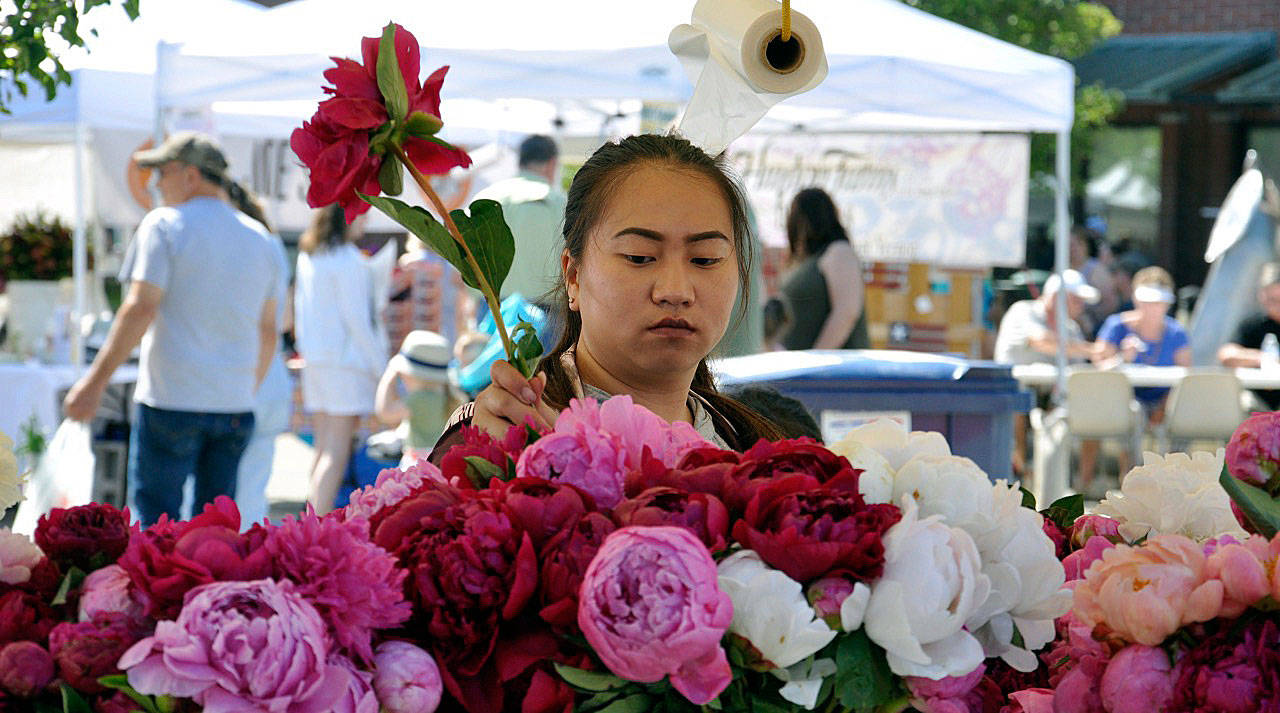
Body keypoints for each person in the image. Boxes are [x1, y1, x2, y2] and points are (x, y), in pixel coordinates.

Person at [433, 134, 785, 453]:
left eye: (705, 259)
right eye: (639, 257)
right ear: (573, 276)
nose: (675, 291)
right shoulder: (503, 434)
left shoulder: (760, 448)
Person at [64, 132, 281, 526]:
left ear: (191, 175)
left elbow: (140, 308)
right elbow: (269, 330)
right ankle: (208, 591)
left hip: (171, 399)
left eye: (162, 172)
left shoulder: (164, 225)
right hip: (233, 403)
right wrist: (244, 388)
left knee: (154, 525)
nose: (155, 183)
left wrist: (94, 383)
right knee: (215, 532)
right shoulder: (262, 239)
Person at [294, 204, 388, 515]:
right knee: (334, 450)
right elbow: (358, 321)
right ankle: (315, 526)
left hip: (317, 361)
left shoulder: (311, 255)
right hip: (344, 366)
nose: (365, 219)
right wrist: (381, 368)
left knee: (323, 448)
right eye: (361, 212)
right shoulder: (349, 261)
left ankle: (308, 522)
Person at [993, 269, 1099, 479]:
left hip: (1050, 397)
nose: (1081, 305)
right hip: (1011, 394)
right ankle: (1019, 474)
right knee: (1019, 405)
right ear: (1056, 297)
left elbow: (1077, 368)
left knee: (1091, 405)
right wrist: (1090, 349)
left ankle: (1082, 482)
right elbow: (1042, 341)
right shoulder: (1023, 311)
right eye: (1076, 299)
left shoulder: (1070, 328)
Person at [473, 135, 568, 306]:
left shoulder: (485, 198)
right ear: (552, 164)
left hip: (491, 307)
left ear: (520, 161)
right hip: (545, 311)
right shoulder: (559, 203)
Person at [778, 188, 869, 350]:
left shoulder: (839, 251)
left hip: (835, 372)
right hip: (802, 368)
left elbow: (847, 311)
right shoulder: (812, 260)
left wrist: (816, 361)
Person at [375, 330, 454, 466]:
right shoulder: (449, 395)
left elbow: (384, 412)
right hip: (439, 461)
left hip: (417, 464)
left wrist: (389, 375)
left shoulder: (420, 399)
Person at [1219, 262, 1280, 410]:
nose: (1276, 304)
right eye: (1271, 299)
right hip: (1257, 402)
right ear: (1262, 296)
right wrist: (1262, 358)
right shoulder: (1253, 325)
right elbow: (1226, 354)